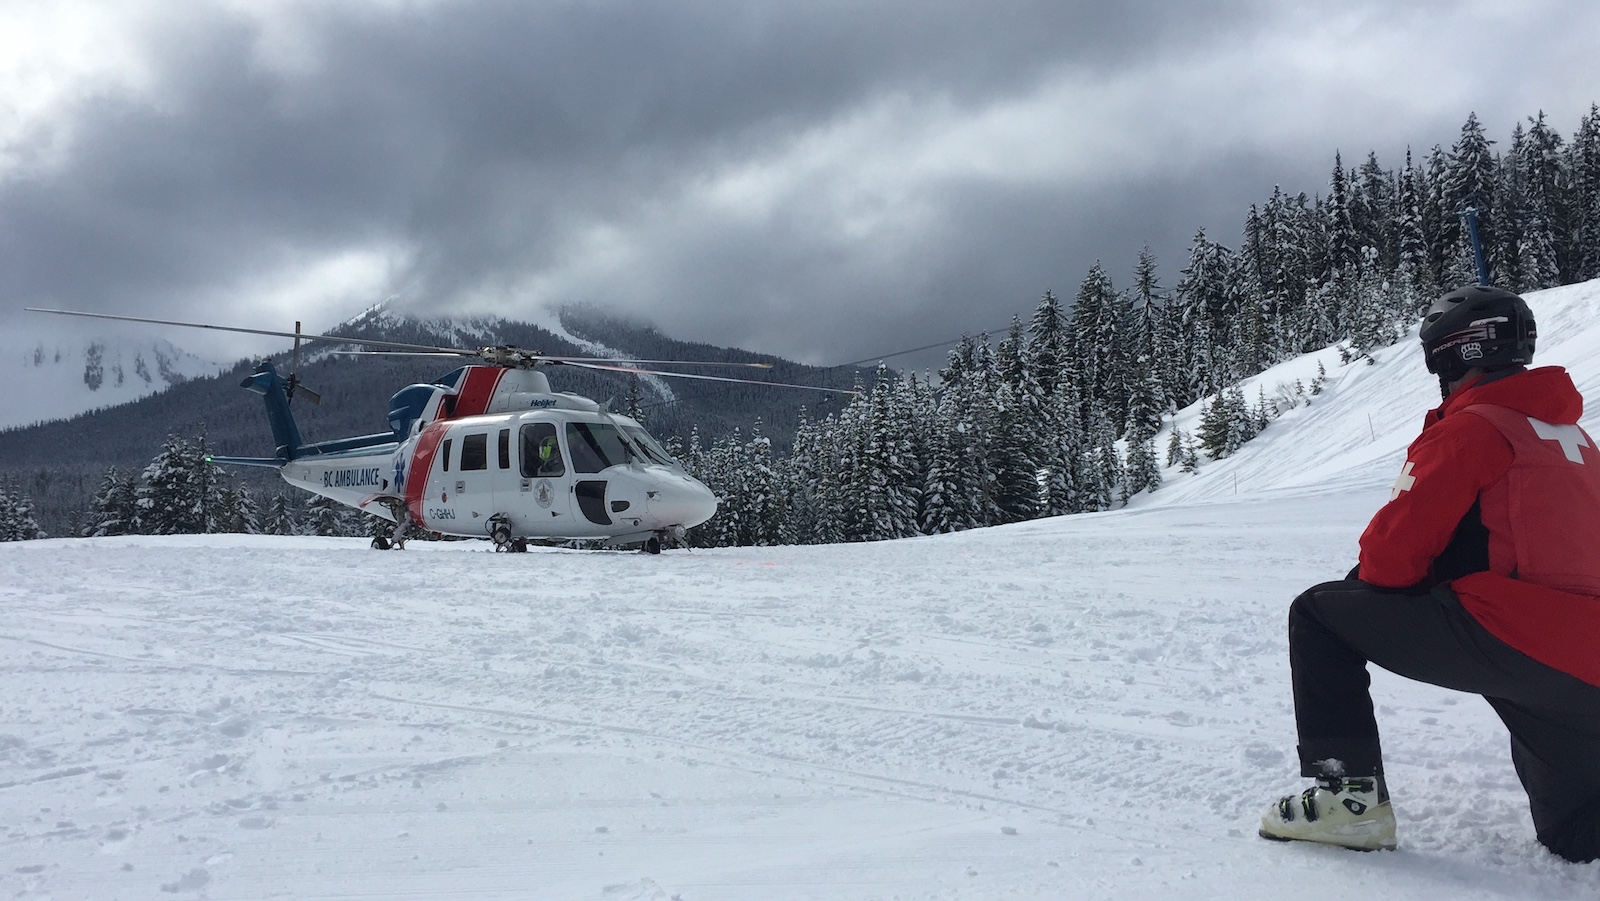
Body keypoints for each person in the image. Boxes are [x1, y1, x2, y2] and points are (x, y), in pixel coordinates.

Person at [1258, 285, 1600, 861]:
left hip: (1517, 638)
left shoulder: (1470, 431)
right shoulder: (1577, 441)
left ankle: (1349, 801)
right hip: (1585, 665)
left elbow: (1389, 563)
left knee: (1320, 614)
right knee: (1576, 833)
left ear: (1450, 354)